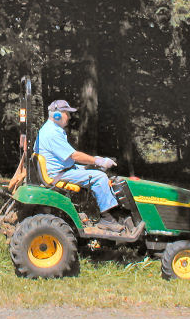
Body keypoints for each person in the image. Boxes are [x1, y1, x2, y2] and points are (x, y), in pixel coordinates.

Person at [34, 99, 124, 233]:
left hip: (62, 169)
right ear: (57, 115)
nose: (69, 117)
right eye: (67, 113)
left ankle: (110, 208)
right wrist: (98, 161)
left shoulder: (49, 129)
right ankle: (107, 219)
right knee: (99, 177)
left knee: (94, 171)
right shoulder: (52, 133)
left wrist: (94, 162)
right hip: (60, 174)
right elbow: (74, 156)